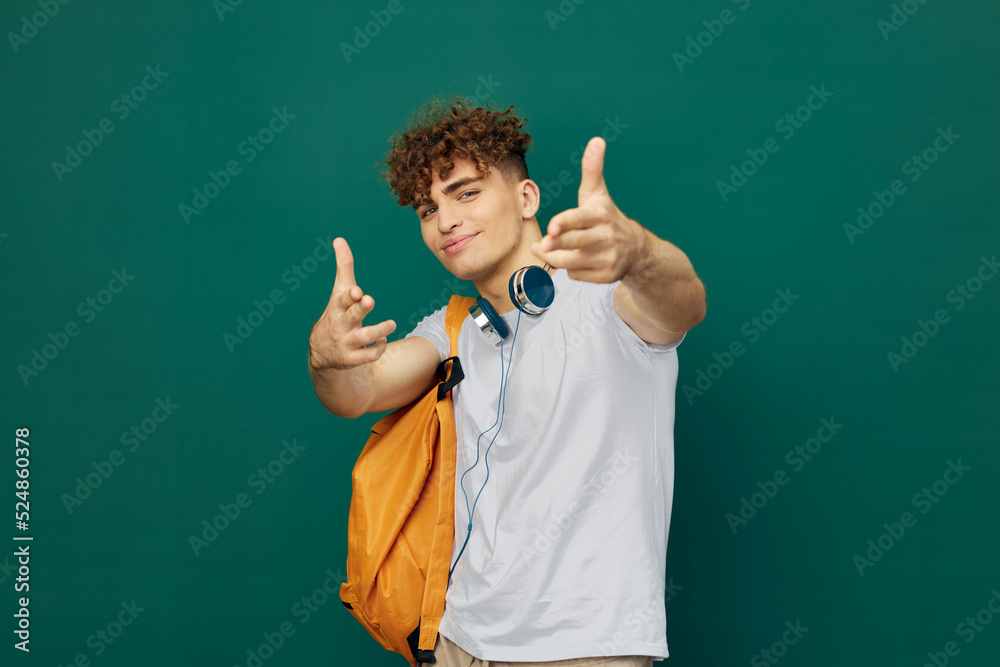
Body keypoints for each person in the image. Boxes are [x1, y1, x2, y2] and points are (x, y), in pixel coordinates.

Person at [307, 98, 706, 667]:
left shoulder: (608, 300)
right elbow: (355, 393)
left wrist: (640, 253)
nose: (444, 221)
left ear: (526, 198)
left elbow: (684, 305)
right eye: (427, 209)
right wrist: (327, 357)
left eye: (466, 192)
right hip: (457, 643)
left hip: (585, 649)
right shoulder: (452, 331)